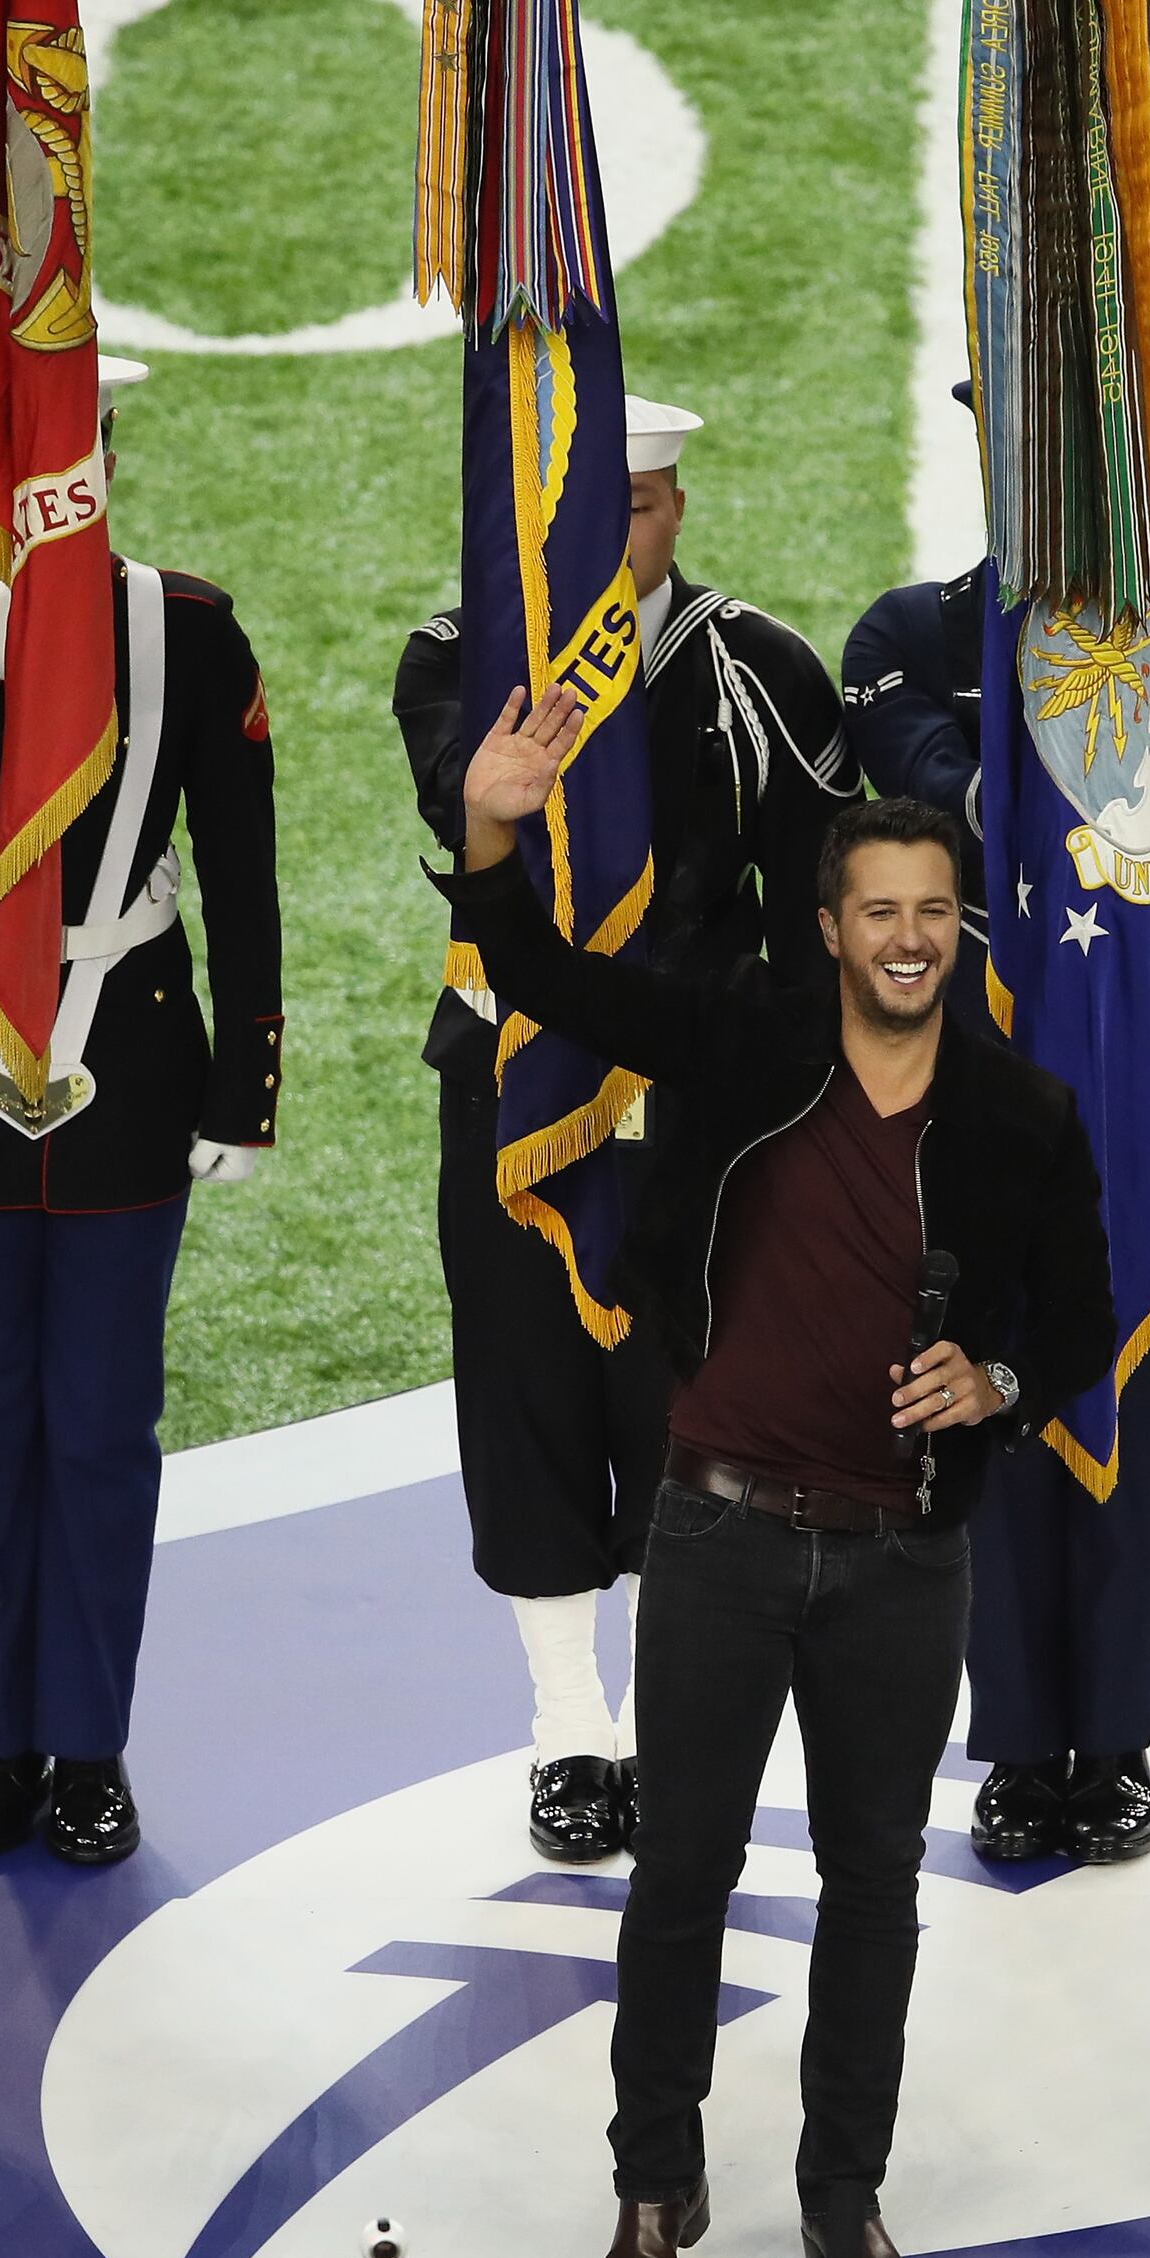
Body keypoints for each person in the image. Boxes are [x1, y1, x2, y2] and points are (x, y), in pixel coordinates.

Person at [441, 741, 1110, 2258]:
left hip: (903, 1559)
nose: (907, 936)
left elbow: (1081, 1313)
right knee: (682, 1871)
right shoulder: (737, 1042)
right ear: (826, 926)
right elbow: (537, 969)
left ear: (963, 931)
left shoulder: (1023, 1115)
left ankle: (843, 2193)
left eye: (933, 911)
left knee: (875, 1888)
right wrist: (488, 826)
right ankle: (651, 2188)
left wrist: (1002, 1378)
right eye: (879, 908)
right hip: (719, 1540)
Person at [0, 355, 285, 1867]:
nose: (43, 486)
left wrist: (247, 1077)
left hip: (126, 1063)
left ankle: (88, 1745)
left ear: (104, 456)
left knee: (99, 1426)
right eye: (16, 451)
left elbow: (242, 871)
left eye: (66, 451)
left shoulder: (193, 632)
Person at [394, 392, 861, 1865]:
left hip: (704, 1106)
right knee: (525, 1396)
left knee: (693, 1413)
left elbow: (812, 906)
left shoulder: (762, 667)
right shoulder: (466, 655)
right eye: (599, 513)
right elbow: (461, 825)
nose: (627, 536)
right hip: (517, 1085)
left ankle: (668, 1726)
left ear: (677, 509)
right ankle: (564, 1729)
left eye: (647, 508)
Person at [838, 417, 1150, 1863]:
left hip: (1133, 1079)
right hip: (963, 1077)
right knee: (973, 1397)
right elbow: (922, 788)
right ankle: (1021, 1745)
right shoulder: (908, 635)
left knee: (1121, 1406)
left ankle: (1116, 1743)